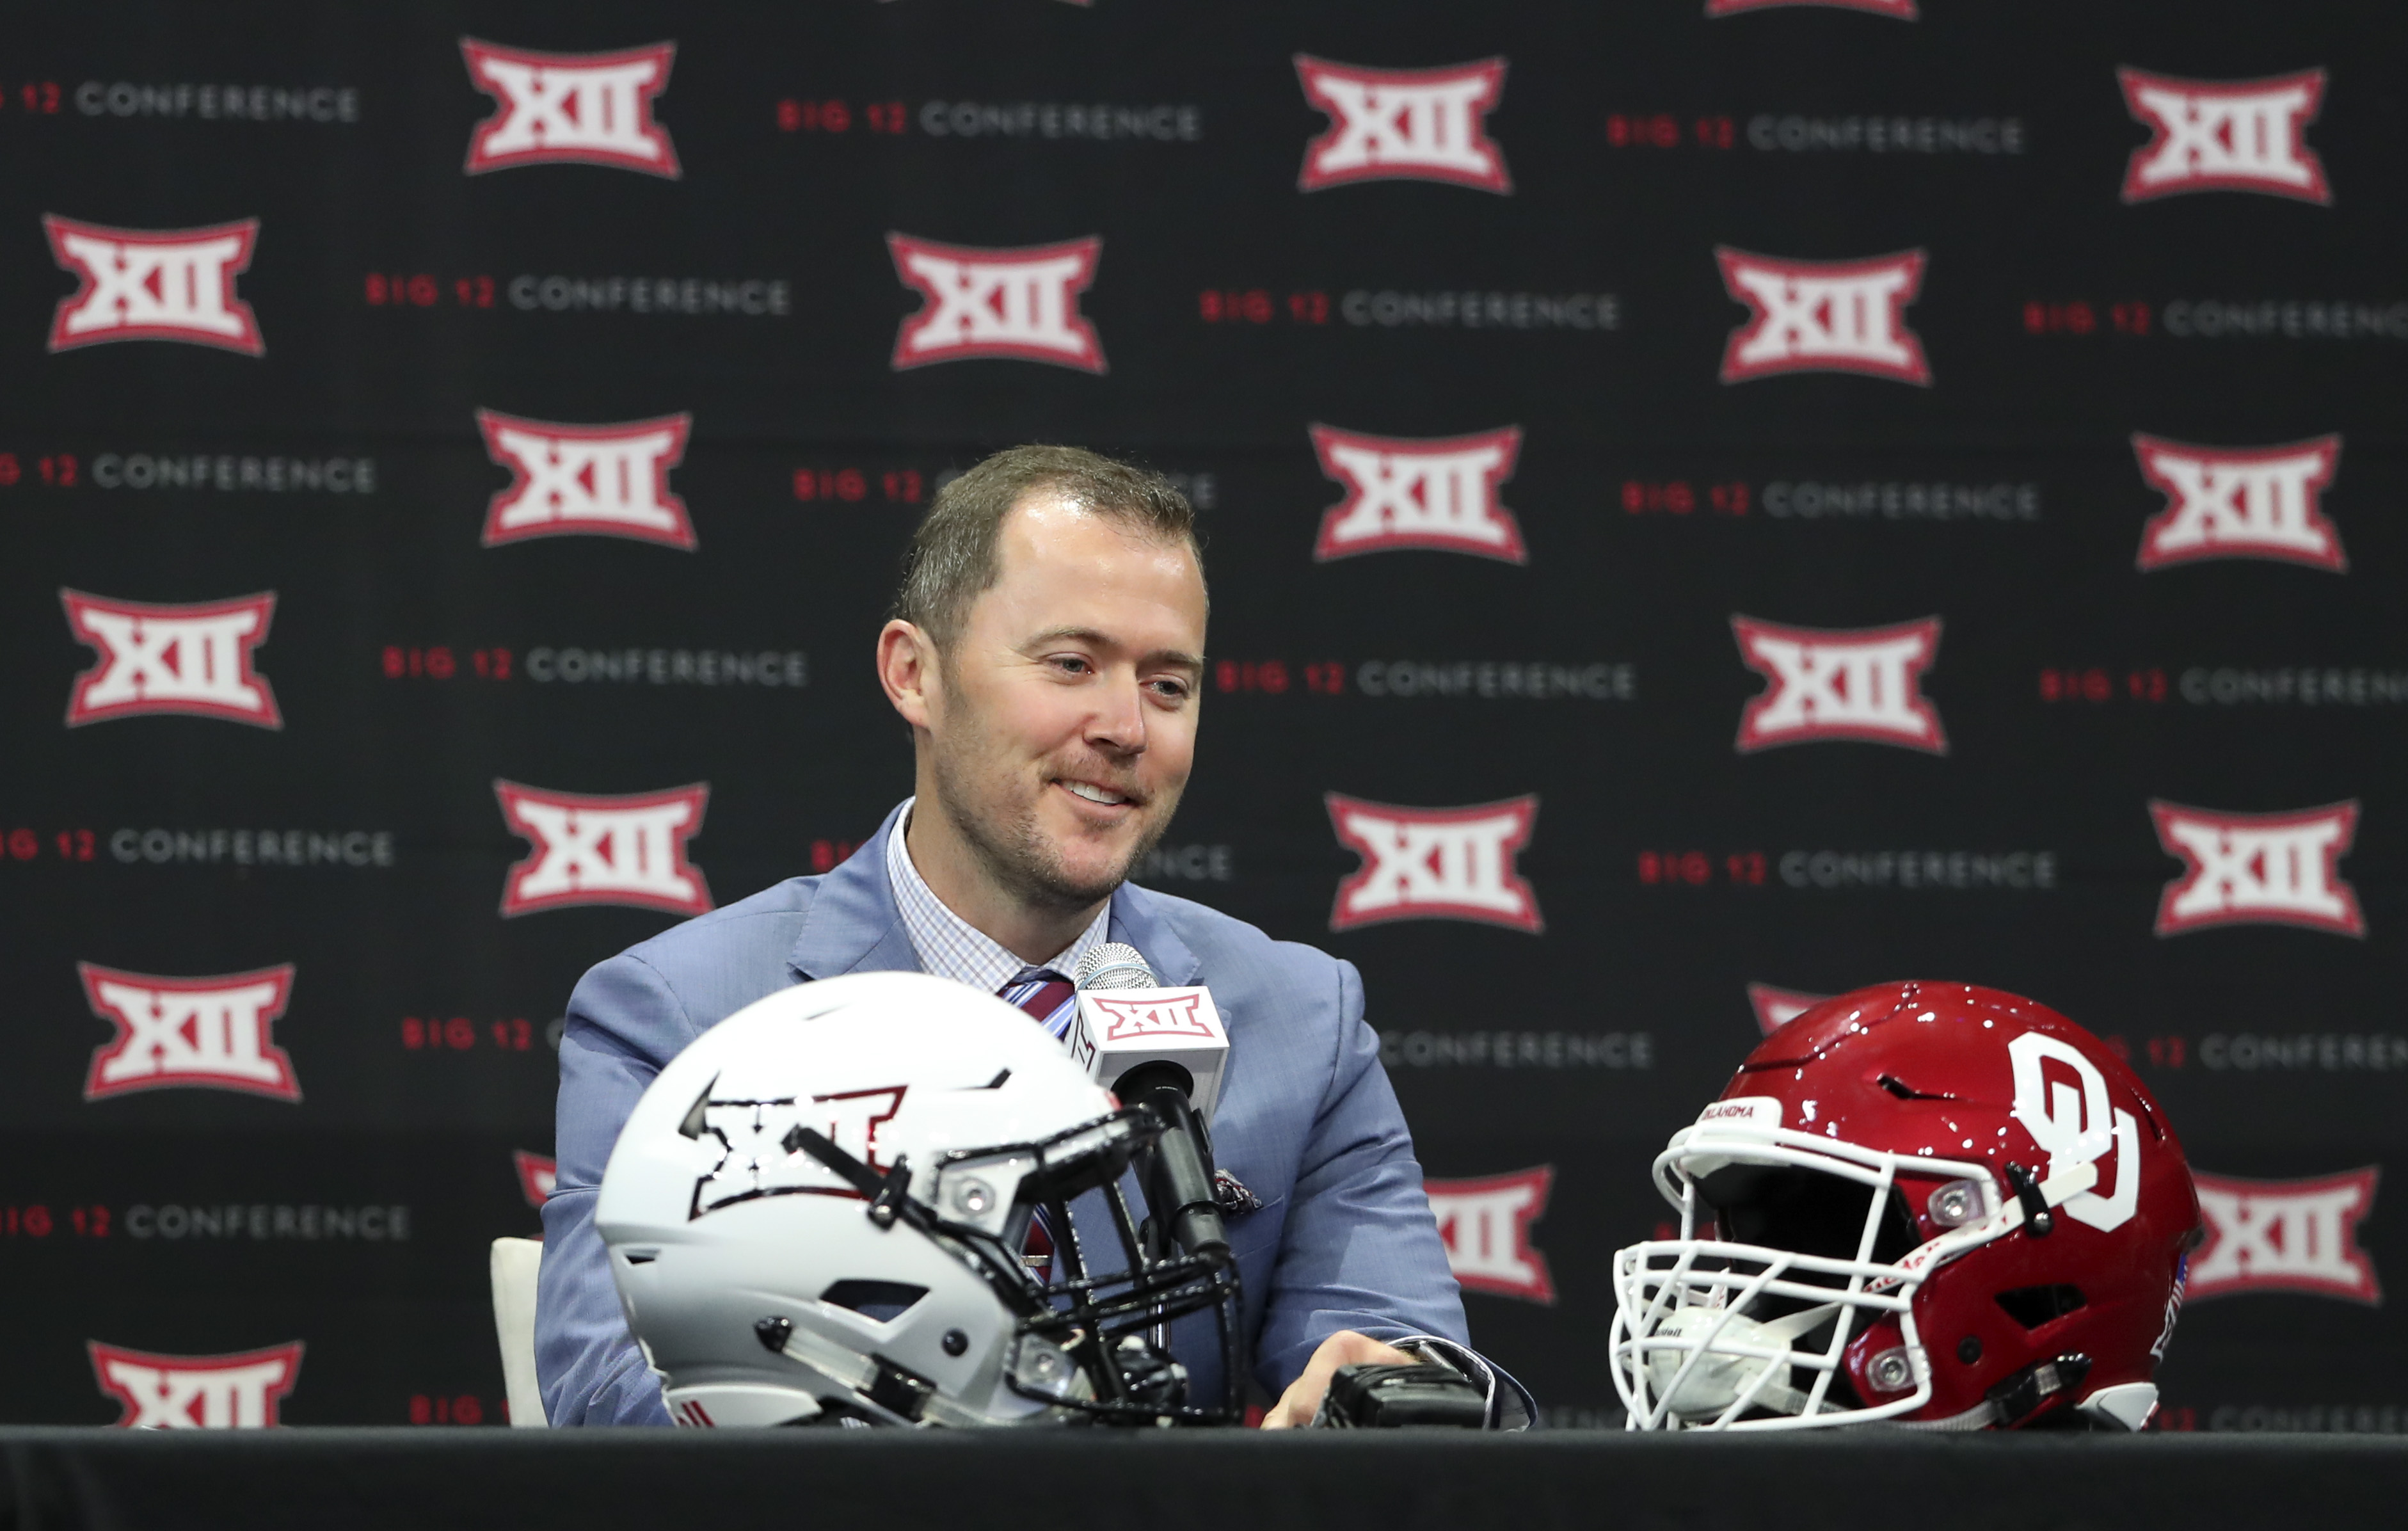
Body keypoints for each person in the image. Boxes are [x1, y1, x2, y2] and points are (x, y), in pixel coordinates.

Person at [536, 445, 1515, 1427]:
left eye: (1169, 686)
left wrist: (1377, 1389)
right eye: (1072, 665)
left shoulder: (1302, 1020)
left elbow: (1394, 1344)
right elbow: (614, 1399)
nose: (1127, 727)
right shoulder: (680, 1014)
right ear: (914, 675)